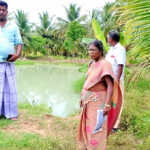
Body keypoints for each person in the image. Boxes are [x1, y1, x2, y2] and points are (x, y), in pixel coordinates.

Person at [77, 40, 122, 150]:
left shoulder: (105, 64)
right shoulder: (91, 63)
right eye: (89, 50)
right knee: (88, 124)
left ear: (100, 51)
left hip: (99, 101)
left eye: (93, 50)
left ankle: (96, 147)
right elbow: (88, 81)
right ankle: (87, 146)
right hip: (89, 99)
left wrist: (107, 104)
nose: (90, 52)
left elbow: (110, 85)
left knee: (97, 126)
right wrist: (83, 97)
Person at [0, 1, 23, 120]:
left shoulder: (13, 27)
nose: (1, 12)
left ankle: (11, 113)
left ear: (6, 12)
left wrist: (17, 55)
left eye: (3, 10)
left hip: (9, 62)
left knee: (10, 88)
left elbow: (19, 42)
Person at [106, 31, 126, 130]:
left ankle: (115, 125)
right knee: (109, 100)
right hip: (109, 79)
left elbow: (120, 66)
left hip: (116, 80)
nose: (107, 39)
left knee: (117, 102)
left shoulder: (120, 49)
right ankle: (108, 121)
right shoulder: (111, 49)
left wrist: (116, 81)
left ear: (112, 39)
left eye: (108, 37)